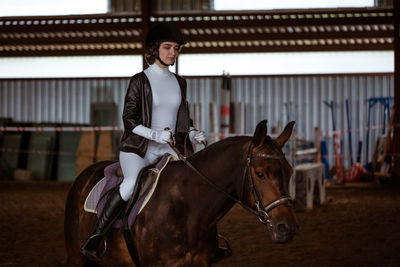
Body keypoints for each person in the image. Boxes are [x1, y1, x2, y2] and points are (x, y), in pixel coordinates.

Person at [80, 22, 207, 262]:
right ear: (154, 48)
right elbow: (128, 119)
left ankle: (203, 241)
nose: (173, 52)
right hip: (138, 150)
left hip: (168, 151)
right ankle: (96, 236)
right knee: (130, 184)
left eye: (176, 48)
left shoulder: (180, 83)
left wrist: (191, 133)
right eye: (168, 47)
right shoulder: (140, 80)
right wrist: (154, 134)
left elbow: (181, 117)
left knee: (192, 185)